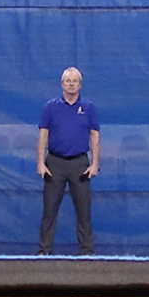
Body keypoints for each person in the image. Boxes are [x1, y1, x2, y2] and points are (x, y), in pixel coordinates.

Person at [36, 67, 100, 256]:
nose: (71, 84)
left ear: (80, 85)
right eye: (68, 81)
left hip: (80, 164)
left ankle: (87, 253)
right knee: (49, 211)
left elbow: (95, 136)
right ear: (62, 84)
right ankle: (44, 252)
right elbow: (43, 135)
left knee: (84, 212)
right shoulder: (51, 107)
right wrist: (41, 163)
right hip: (54, 164)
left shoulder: (88, 108)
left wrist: (95, 163)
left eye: (75, 81)